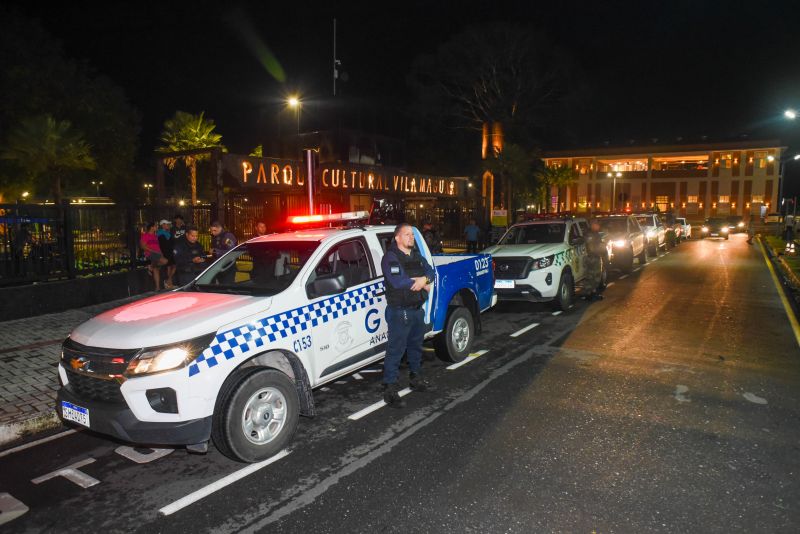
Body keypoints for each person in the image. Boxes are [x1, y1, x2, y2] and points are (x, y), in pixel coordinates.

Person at [381, 223, 436, 408]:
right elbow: (399, 281)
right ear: (397, 238)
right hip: (400, 311)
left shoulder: (416, 256)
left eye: (412, 234)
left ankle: (416, 379)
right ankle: (390, 390)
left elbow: (430, 271)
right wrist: (421, 283)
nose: (411, 237)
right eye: (407, 234)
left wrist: (424, 279)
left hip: (416, 310)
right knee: (395, 351)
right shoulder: (390, 257)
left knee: (415, 347)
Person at [140, 222, 168, 290]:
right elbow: (142, 246)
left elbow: (158, 246)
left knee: (156, 270)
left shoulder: (155, 236)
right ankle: (151, 267)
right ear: (152, 227)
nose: (157, 227)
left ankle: (157, 287)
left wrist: (161, 253)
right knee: (165, 261)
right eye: (156, 226)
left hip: (157, 254)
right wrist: (153, 251)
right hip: (150, 253)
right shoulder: (145, 235)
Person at [583, 219, 605, 301]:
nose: (598, 226)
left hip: (593, 256)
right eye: (597, 224)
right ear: (593, 225)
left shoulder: (594, 234)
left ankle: (590, 293)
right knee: (594, 276)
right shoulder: (591, 234)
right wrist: (599, 251)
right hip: (593, 257)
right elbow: (591, 247)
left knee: (592, 276)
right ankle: (592, 293)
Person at [157, 219, 176, 289]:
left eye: (168, 224)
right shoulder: (159, 234)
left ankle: (168, 282)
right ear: (163, 225)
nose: (168, 225)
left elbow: (171, 243)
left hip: (170, 252)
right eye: (166, 224)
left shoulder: (168, 233)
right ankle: (169, 284)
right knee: (169, 267)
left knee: (173, 266)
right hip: (165, 253)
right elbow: (161, 245)